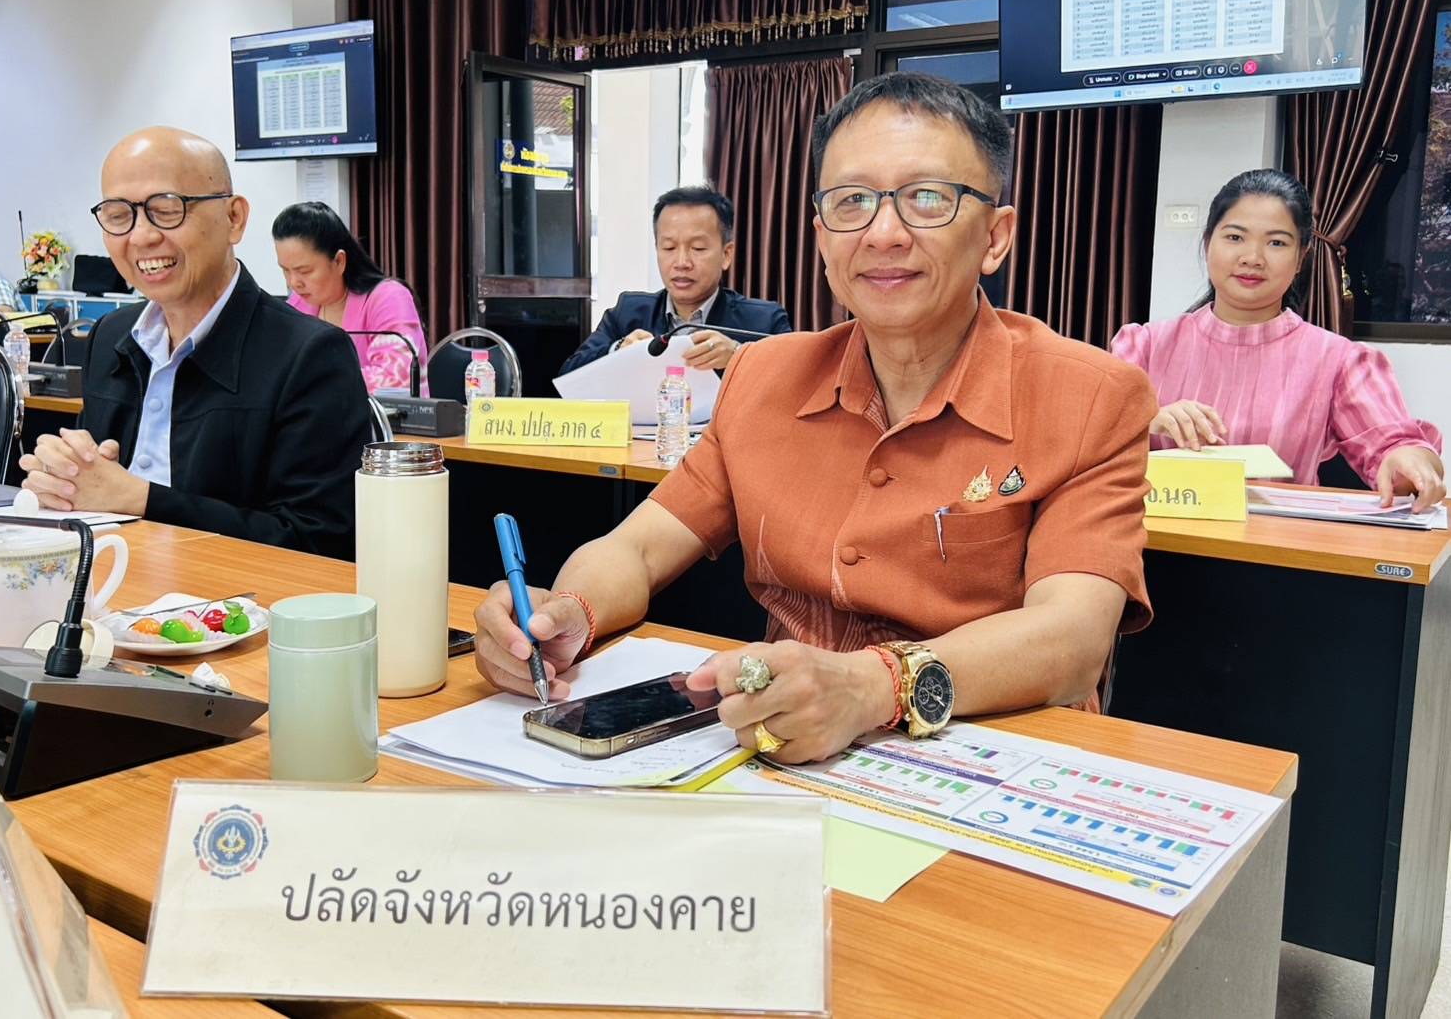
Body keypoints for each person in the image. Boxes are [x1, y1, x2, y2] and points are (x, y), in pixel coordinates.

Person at [477, 73, 1159, 765]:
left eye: (926, 198)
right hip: (779, 748)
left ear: (994, 236)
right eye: (852, 202)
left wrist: (873, 686)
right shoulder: (763, 377)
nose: (883, 233)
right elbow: (638, 547)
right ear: (823, 239)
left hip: (987, 756)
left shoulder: (1092, 396)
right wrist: (567, 613)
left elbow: (1072, 640)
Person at [17, 127, 371, 558]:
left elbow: (319, 543)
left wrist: (141, 500)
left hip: (234, 609)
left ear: (234, 218)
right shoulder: (111, 336)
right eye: (117, 215)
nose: (141, 236)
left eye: (166, 209)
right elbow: (98, 491)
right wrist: (66, 478)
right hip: (112, 589)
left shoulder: (311, 355)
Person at [1111, 169, 1445, 512]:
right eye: (1235, 237)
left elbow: (1394, 443)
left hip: (1276, 551)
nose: (1253, 257)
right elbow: (1088, 441)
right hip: (1151, 545)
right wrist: (1145, 420)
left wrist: (1413, 462)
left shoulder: (1339, 360)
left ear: (1301, 258)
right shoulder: (1144, 346)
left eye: (1277, 243)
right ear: (1208, 241)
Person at [558, 185, 793, 375]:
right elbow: (568, 375)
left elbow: (797, 386)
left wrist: (739, 355)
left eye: (698, 248)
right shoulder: (628, 312)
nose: (682, 262)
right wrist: (618, 350)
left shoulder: (764, 321)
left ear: (726, 254)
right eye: (669, 247)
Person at [274, 202, 430, 394]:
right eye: (285, 271)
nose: (293, 283)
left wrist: (312, 381)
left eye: (304, 271)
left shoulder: (389, 298)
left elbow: (396, 378)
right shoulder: (297, 306)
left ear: (339, 261)